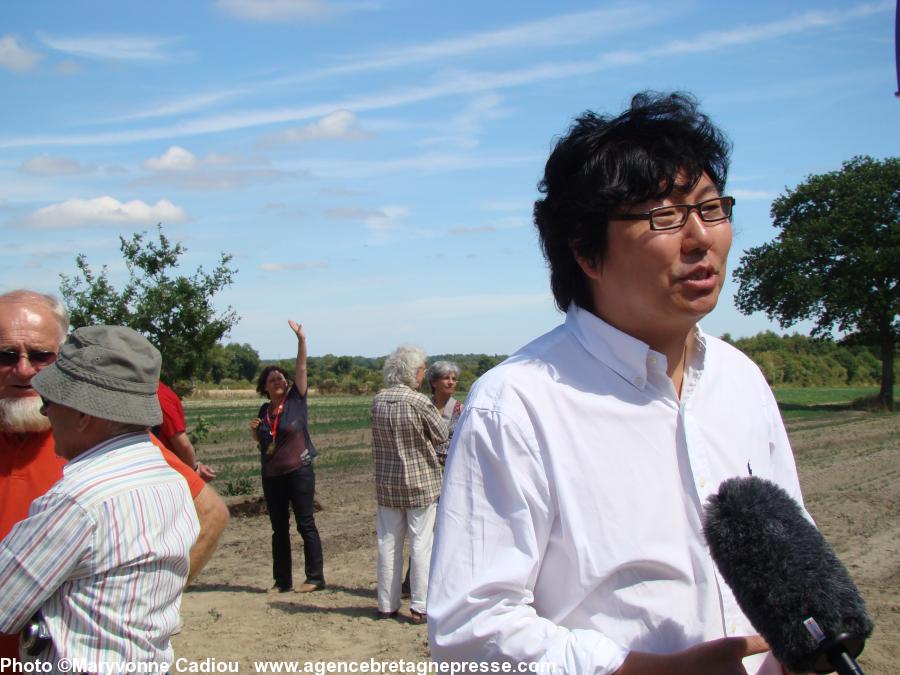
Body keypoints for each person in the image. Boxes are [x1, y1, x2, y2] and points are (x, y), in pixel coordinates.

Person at [427, 92, 807, 675]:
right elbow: (468, 630)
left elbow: (794, 553)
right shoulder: (519, 404)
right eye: (664, 217)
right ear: (586, 251)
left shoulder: (742, 380)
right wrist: (638, 671)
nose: (701, 238)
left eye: (711, 208)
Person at [0, 290, 228, 661]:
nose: (24, 371)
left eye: (41, 357)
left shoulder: (84, 488)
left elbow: (212, 514)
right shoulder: (133, 451)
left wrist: (116, 611)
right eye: (5, 356)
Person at [370, 345, 448, 624]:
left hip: (387, 484)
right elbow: (440, 434)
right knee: (421, 544)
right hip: (421, 483)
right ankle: (419, 606)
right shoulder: (418, 402)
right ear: (413, 371)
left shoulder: (378, 401)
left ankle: (386, 605)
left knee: (387, 544)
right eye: (422, 368)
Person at [250, 320, 325, 594]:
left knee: (306, 523)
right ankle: (282, 581)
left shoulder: (297, 400)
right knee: (278, 529)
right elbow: (265, 443)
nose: (279, 381)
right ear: (265, 387)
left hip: (299, 470)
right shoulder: (264, 410)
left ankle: (315, 578)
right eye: (273, 380)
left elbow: (302, 367)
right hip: (272, 474)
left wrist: (301, 339)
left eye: (282, 378)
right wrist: (256, 435)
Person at [156, 380, 217, 482]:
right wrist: (195, 468)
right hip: (167, 471)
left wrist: (195, 468)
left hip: (164, 471)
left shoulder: (155, 394)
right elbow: (182, 443)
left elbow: (182, 443)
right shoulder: (159, 392)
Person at [426, 360, 463, 462]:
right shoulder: (424, 407)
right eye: (446, 378)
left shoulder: (461, 409)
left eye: (454, 379)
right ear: (433, 382)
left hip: (451, 465)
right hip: (426, 467)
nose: (451, 382)